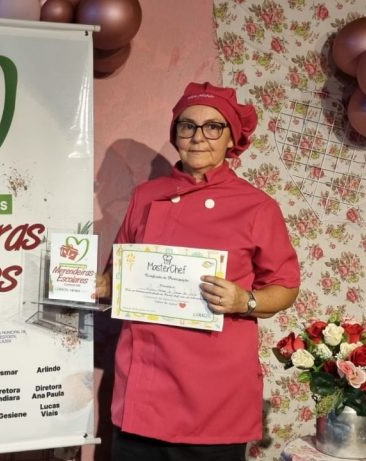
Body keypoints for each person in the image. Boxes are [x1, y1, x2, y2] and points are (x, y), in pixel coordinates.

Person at [98, 81, 301, 461]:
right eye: (187, 126)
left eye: (213, 127)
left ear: (231, 139)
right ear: (175, 134)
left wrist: (246, 300)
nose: (198, 137)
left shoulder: (257, 207)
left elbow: (285, 287)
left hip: (213, 390)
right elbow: (119, 277)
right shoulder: (146, 196)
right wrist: (93, 283)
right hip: (145, 384)